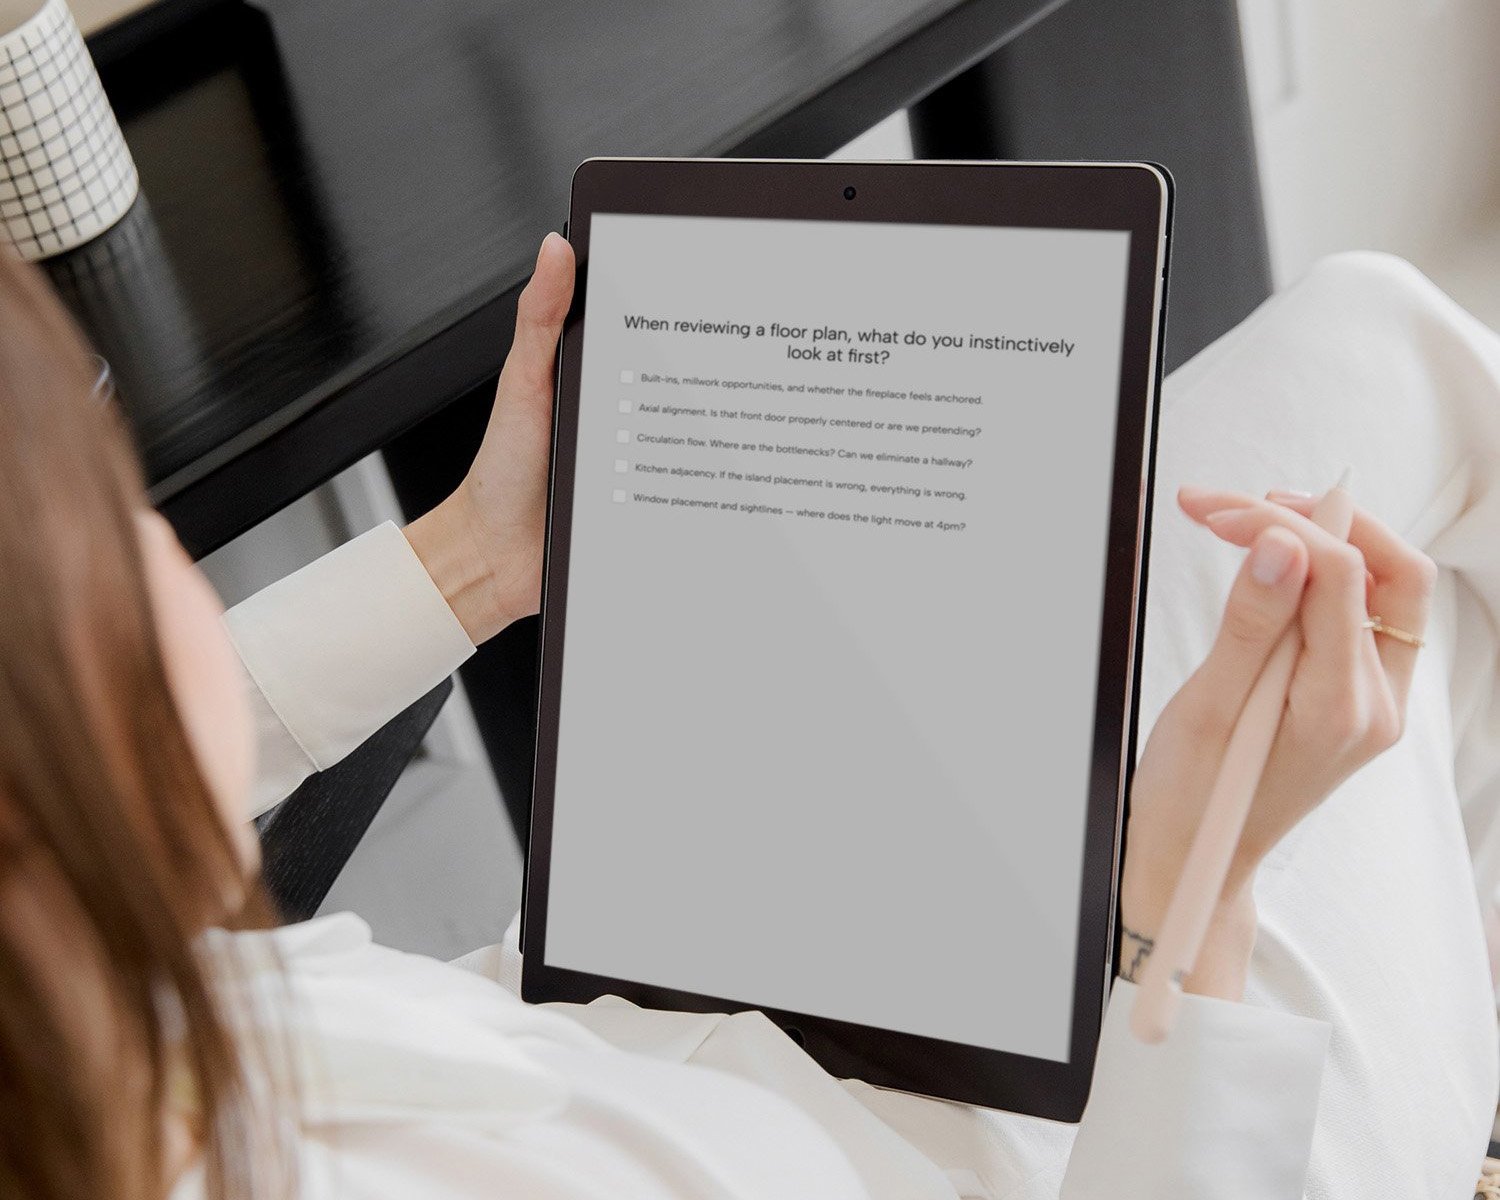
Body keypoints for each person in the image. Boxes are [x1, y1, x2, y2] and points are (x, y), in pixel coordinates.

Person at [0, 232, 1494, 1200]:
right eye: (112, 507)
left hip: (734, 988)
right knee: (1428, 550)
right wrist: (1186, 909)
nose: (164, 550)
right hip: (1100, 1128)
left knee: (1384, 358)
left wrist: (474, 559)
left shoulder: (63, 1040)